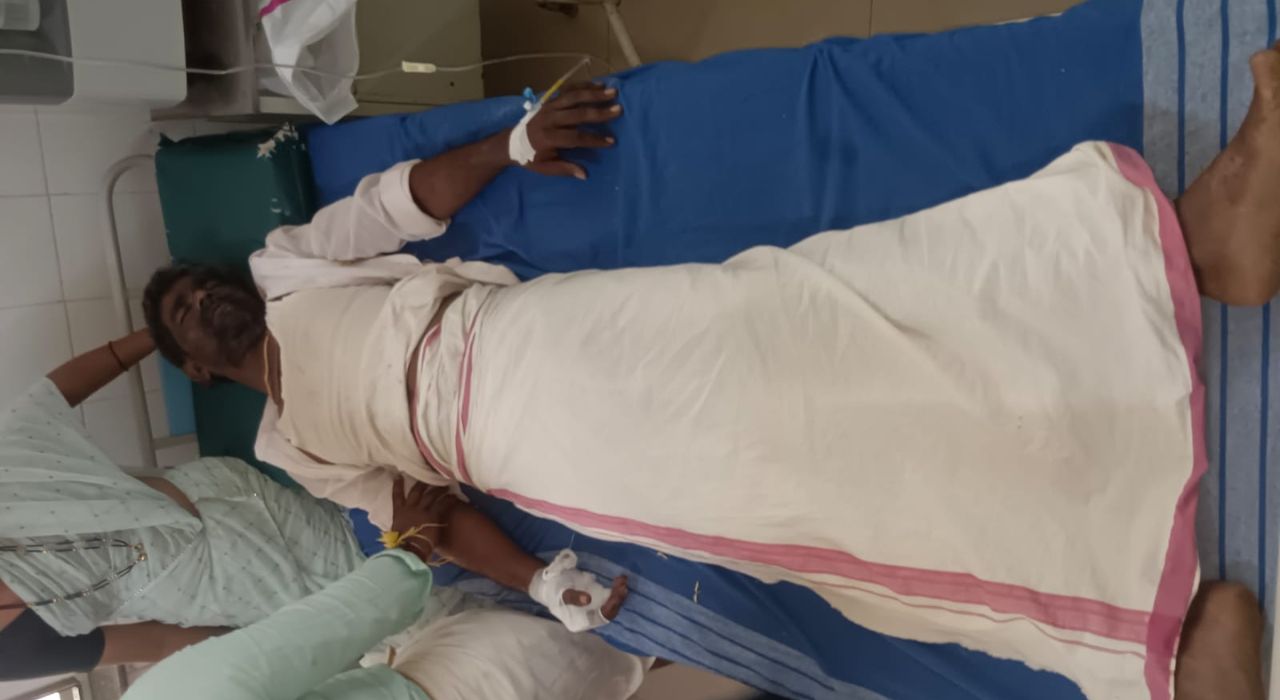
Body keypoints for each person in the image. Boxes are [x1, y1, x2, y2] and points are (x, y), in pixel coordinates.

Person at [141, 46, 1280, 699]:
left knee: (809, 306)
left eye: (193, 283)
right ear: (200, 364)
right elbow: (421, 515)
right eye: (185, 317)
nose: (202, 300)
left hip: (537, 333)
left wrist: (509, 146)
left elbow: (398, 203)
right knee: (794, 486)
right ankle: (1145, 629)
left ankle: (1185, 249)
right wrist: (537, 580)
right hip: (529, 450)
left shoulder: (284, 266)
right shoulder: (291, 448)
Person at [0, 329, 634, 690]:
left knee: (403, 574)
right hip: (225, 586)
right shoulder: (12, 651)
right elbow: (167, 641)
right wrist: (274, 649)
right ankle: (581, 616)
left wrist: (154, 336)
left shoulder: (10, 475)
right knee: (405, 609)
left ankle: (557, 595)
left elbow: (49, 394)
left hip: (229, 503)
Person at [121, 477, 648, 700]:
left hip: (423, 667)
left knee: (607, 659)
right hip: (458, 683)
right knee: (617, 642)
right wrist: (409, 549)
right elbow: (325, 631)